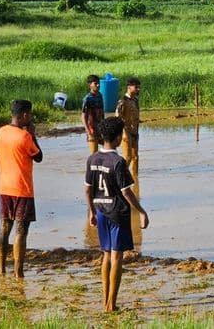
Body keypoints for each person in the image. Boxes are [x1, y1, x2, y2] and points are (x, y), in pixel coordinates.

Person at [85, 117, 149, 312]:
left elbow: (88, 190)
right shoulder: (118, 162)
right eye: (121, 134)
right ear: (117, 137)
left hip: (101, 211)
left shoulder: (92, 158)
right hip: (117, 213)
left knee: (105, 255)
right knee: (116, 257)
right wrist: (142, 211)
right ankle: (111, 304)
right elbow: (126, 192)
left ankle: (106, 300)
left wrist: (91, 211)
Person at [0, 100, 43, 278]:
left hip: (4, 187)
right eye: (29, 114)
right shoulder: (25, 137)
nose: (30, 117)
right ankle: (18, 272)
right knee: (21, 231)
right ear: (23, 115)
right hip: (22, 188)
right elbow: (39, 157)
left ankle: (1, 269)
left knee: (4, 228)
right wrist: (33, 134)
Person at [115, 77, 140, 178]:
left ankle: (135, 178)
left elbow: (136, 115)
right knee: (128, 157)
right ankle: (121, 177)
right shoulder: (122, 101)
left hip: (135, 132)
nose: (138, 89)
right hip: (126, 133)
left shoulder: (135, 100)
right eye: (136, 87)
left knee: (135, 157)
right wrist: (123, 132)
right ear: (129, 87)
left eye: (139, 87)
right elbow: (118, 117)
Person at [81, 75, 104, 154]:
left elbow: (102, 112)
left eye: (99, 83)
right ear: (90, 85)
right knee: (94, 154)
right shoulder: (87, 99)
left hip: (101, 128)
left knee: (109, 149)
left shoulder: (100, 96)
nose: (98, 85)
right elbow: (83, 116)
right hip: (92, 130)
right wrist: (88, 132)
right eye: (95, 83)